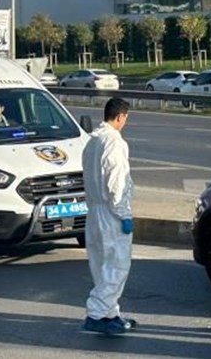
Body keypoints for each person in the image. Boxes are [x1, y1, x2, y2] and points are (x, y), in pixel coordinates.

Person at [81, 97, 136, 336]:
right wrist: (124, 214)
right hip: (110, 213)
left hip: (94, 211)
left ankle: (109, 313)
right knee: (117, 265)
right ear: (121, 117)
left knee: (101, 266)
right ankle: (96, 314)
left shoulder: (92, 142)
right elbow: (117, 183)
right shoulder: (114, 142)